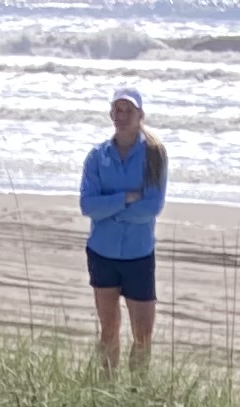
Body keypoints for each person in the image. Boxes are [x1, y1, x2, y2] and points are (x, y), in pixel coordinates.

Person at [80, 90, 165, 370]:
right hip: (102, 252)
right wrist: (125, 198)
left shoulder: (154, 155)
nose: (122, 116)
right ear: (110, 114)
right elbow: (88, 206)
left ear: (141, 115)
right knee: (109, 330)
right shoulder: (96, 156)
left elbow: (151, 208)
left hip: (138, 254)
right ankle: (106, 394)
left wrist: (111, 210)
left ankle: (137, 396)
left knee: (142, 335)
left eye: (129, 110)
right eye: (118, 109)